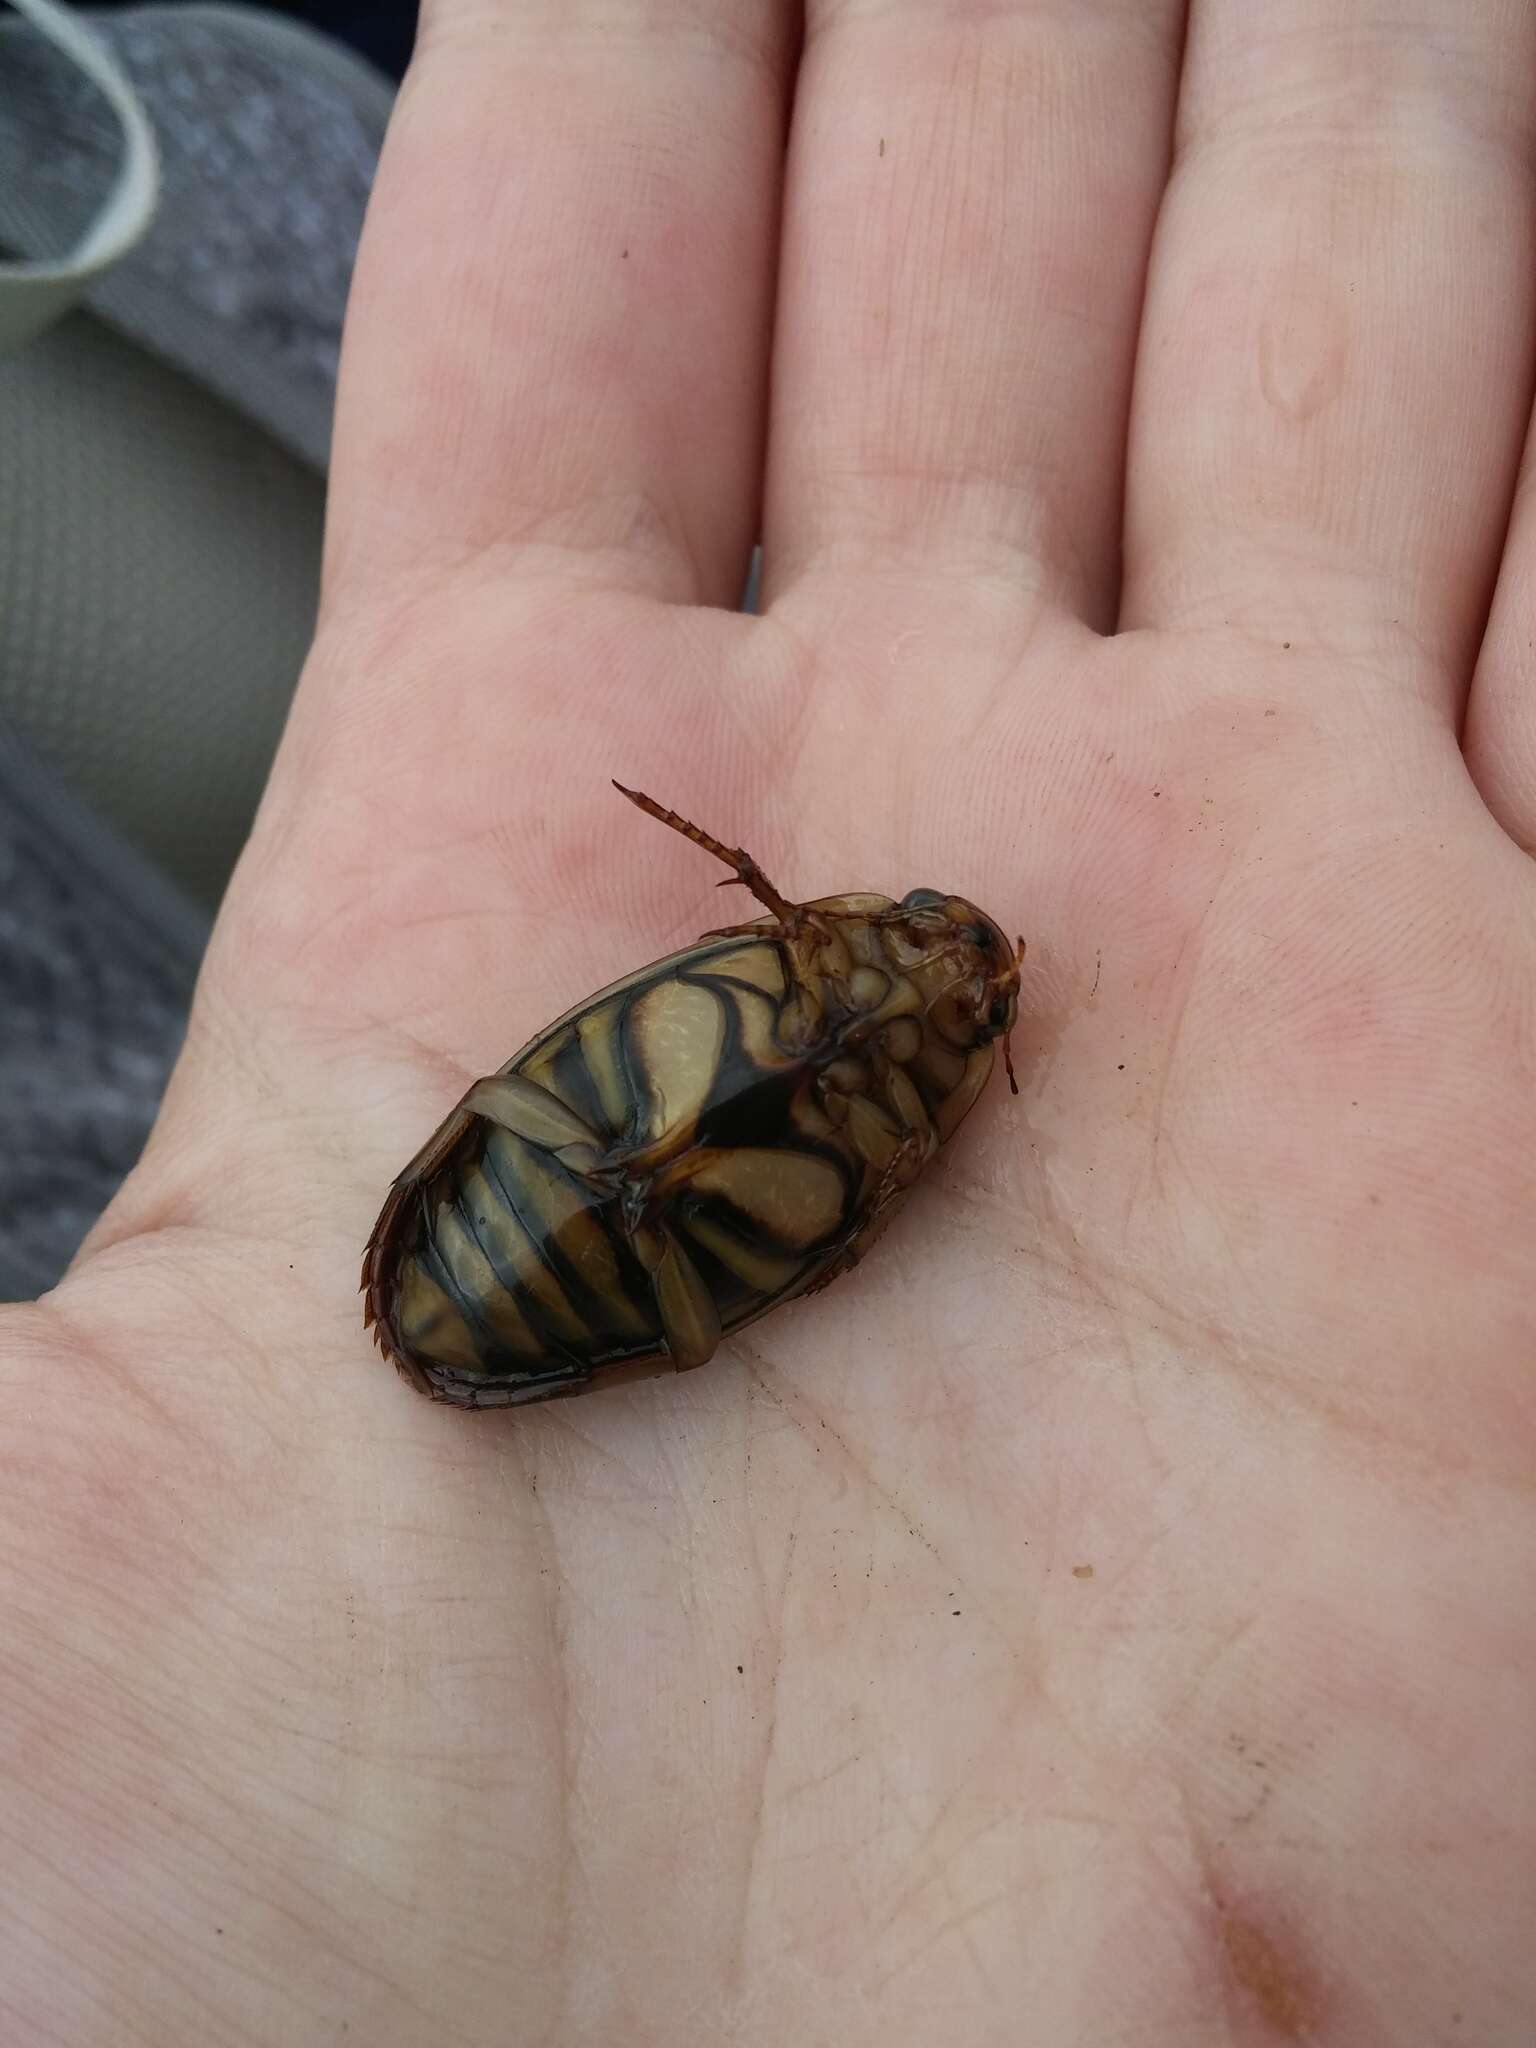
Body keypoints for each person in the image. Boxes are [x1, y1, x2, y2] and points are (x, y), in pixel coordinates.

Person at [3, 3, 1532, 2040]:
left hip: (580, 1193)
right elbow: (821, 1187)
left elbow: (767, 1136)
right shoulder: (906, 1128)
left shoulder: (862, 1067)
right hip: (593, 1220)